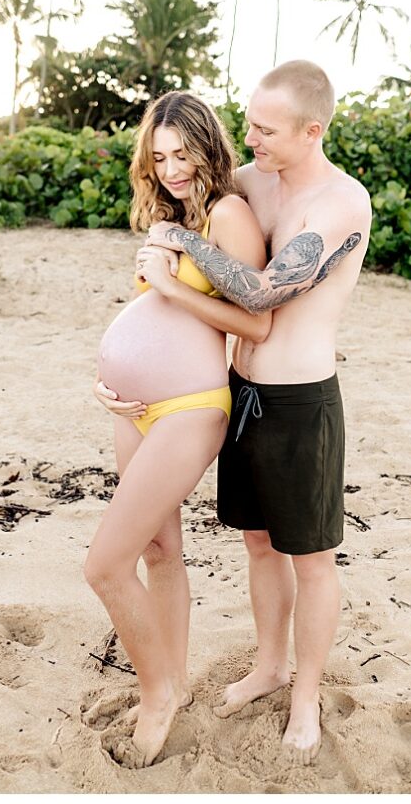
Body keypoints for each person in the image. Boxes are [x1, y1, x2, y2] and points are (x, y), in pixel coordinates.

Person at [147, 60, 371, 763]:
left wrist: (178, 244)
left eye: (266, 130)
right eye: (247, 124)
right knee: (255, 542)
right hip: (240, 394)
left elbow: (267, 294)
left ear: (313, 131)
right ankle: (269, 664)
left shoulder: (335, 204)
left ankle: (303, 696)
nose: (252, 140)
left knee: (310, 559)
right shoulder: (254, 181)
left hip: (301, 400)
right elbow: (199, 186)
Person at [87, 92, 272, 765]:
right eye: (158, 157)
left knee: (103, 565)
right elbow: (148, 320)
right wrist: (110, 378)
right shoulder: (172, 218)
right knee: (157, 553)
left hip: (193, 407)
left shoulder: (227, 215)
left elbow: (256, 321)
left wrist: (167, 287)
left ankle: (158, 692)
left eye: (182, 153)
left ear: (207, 147)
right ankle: (173, 680)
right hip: (135, 409)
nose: (170, 168)